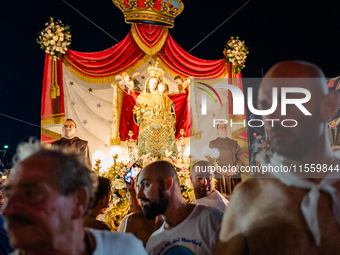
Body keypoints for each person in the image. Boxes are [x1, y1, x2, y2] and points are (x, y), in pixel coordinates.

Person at [213, 60, 340, 254]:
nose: (274, 117)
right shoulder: (248, 199)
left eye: (288, 102)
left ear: (328, 106)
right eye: (265, 106)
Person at [2, 138, 146, 255]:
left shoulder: (123, 250)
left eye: (29, 194)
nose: (7, 211)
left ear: (78, 201)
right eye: (8, 195)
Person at [137, 160, 223, 255]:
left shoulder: (211, 220)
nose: (139, 195)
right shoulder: (154, 242)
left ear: (167, 183)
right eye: (138, 187)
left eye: (146, 185)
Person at [133, 62, 177, 157]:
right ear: (148, 83)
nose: (153, 84)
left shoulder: (163, 96)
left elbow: (170, 107)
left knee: (164, 149)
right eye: (151, 82)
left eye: (155, 83)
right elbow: (137, 112)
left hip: (161, 126)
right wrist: (141, 112)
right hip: (147, 126)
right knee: (148, 150)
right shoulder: (142, 96)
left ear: (158, 85)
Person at [209, 123, 246, 195]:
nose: (223, 128)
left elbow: (240, 158)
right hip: (220, 176)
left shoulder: (234, 143)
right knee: (221, 200)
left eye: (225, 127)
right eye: (221, 127)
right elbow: (211, 160)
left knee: (234, 199)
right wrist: (221, 170)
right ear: (217, 130)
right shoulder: (213, 144)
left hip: (234, 176)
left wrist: (235, 169)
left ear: (227, 129)